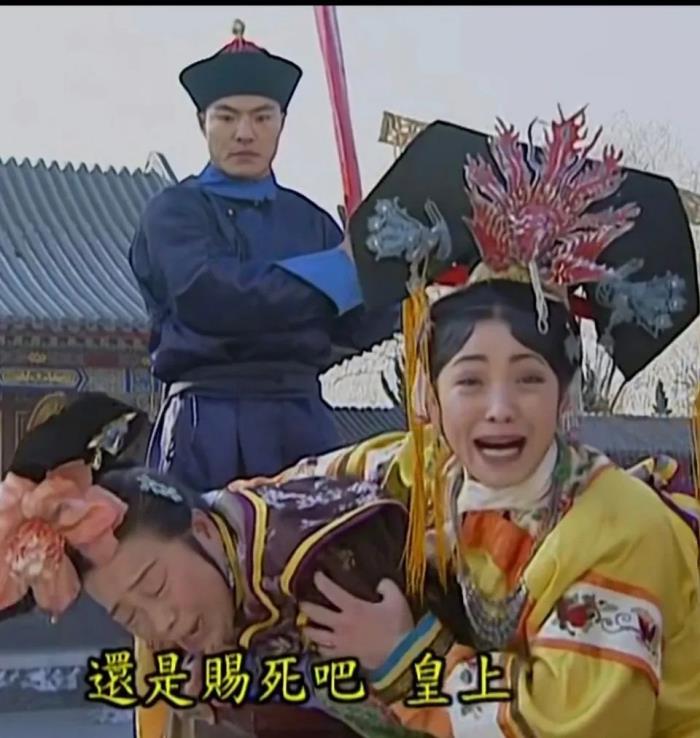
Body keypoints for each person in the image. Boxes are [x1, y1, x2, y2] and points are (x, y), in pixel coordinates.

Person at [262, 109, 700, 736]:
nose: (499, 407)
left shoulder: (617, 530)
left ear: (566, 394)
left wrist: (403, 655)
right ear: (429, 395)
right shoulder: (430, 475)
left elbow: (563, 727)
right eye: (469, 380)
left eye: (528, 379)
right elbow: (288, 493)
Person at [0, 392, 433, 738]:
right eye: (129, 616)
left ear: (204, 530)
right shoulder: (173, 634)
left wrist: (398, 657)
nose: (162, 622)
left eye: (155, 586)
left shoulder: (322, 560)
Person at [128, 20, 398, 492]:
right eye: (227, 117)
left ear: (281, 123)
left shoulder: (312, 222)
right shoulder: (174, 211)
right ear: (202, 122)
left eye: (262, 117)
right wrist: (337, 272)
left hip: (302, 422)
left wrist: (391, 272)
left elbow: (355, 327)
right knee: (203, 538)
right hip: (205, 424)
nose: (245, 133)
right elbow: (212, 296)